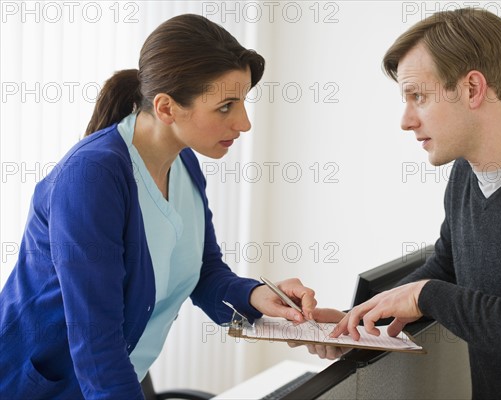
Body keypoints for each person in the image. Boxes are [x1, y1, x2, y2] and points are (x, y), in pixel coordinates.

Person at [0, 14, 318, 399]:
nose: (244, 123)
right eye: (226, 106)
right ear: (166, 108)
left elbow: (204, 273)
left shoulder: (184, 163)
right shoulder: (92, 177)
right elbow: (97, 341)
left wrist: (256, 297)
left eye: (243, 102)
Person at [312, 8, 501, 398]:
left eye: (418, 97)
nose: (406, 120)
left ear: (472, 89)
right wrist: (360, 322)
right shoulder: (465, 175)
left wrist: (426, 294)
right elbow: (448, 266)